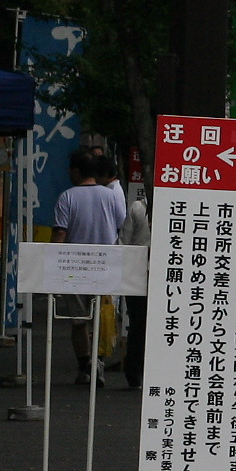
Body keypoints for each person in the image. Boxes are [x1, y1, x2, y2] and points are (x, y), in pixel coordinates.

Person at [51, 150, 125, 384]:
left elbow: (60, 232)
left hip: (74, 266)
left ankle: (86, 367)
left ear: (76, 171)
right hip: (105, 265)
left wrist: (51, 264)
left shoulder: (67, 197)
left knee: (79, 320)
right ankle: (98, 363)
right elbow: (120, 225)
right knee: (102, 318)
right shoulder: (111, 196)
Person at [115, 158, 151, 389]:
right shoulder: (178, 211)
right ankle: (145, 371)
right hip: (163, 277)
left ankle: (134, 372)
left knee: (138, 325)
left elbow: (124, 244)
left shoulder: (138, 208)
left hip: (138, 275)